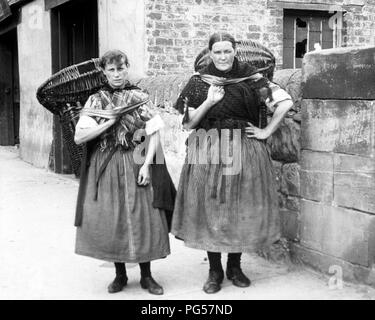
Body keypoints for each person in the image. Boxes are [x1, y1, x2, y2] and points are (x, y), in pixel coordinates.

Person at [172, 33, 293, 294]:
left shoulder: (252, 79)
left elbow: (285, 103)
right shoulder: (199, 82)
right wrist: (209, 101)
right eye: (218, 52)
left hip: (244, 148)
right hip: (208, 147)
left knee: (239, 206)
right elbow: (188, 124)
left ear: (234, 51)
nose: (223, 57)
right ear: (210, 53)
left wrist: (266, 131)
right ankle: (214, 270)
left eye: (227, 51)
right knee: (210, 208)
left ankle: (235, 267)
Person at [73, 49, 175, 295]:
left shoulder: (140, 97)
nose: (117, 74)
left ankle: (147, 276)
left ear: (127, 68)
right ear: (104, 71)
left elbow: (154, 133)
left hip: (135, 161)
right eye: (111, 69)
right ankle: (120, 275)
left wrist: (148, 165)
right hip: (106, 163)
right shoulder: (95, 101)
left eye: (121, 68)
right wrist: (107, 122)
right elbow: (79, 137)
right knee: (112, 217)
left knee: (143, 216)